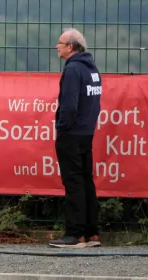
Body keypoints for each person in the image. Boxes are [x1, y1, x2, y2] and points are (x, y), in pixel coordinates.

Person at [49, 28, 102, 248]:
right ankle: (91, 233)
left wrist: (61, 127)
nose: (57, 46)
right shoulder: (92, 69)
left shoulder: (72, 70)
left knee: (73, 183)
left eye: (60, 43)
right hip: (86, 132)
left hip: (71, 133)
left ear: (70, 46)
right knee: (86, 180)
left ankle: (75, 234)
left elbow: (69, 105)